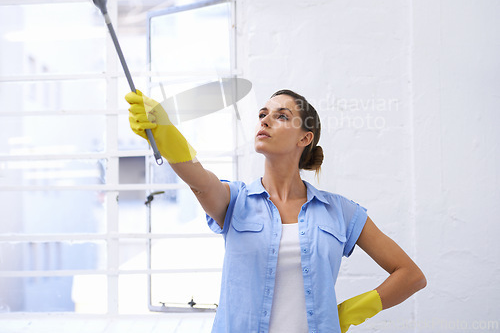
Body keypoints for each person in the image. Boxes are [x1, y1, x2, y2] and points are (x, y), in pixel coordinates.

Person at [125, 88, 426, 333]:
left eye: (281, 116)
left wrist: (349, 312)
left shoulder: (340, 211)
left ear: (304, 138)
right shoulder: (236, 201)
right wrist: (165, 134)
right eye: (262, 114)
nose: (265, 121)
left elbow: (411, 275)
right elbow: (199, 181)